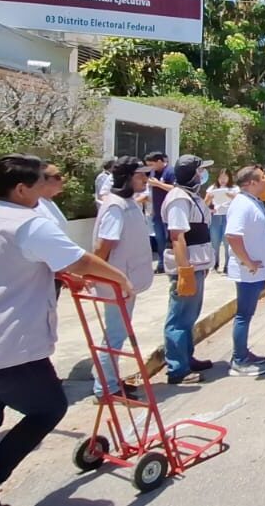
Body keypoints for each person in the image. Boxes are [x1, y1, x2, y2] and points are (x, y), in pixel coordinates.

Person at [0, 154, 133, 506]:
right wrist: (119, 277)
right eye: (43, 180)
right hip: (4, 343)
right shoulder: (27, 221)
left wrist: (59, 273)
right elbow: (79, 259)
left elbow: (7, 264)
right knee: (48, 408)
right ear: (20, 189)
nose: (48, 186)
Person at [90, 156, 156, 401]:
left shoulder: (127, 202)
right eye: (141, 176)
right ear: (127, 177)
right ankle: (105, 387)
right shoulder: (116, 206)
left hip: (127, 281)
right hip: (117, 282)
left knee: (117, 334)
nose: (146, 180)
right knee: (114, 335)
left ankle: (110, 381)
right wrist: (96, 275)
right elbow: (104, 246)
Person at [161, 154, 215, 385]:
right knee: (179, 318)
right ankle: (177, 368)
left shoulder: (191, 197)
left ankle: (186, 356)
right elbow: (177, 236)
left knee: (189, 316)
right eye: (200, 170)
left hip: (197, 266)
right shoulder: (178, 199)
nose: (202, 174)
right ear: (192, 174)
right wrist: (184, 271)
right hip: (186, 267)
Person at [224, 165, 265, 377]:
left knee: (248, 313)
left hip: (255, 271)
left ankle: (243, 352)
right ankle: (239, 360)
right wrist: (248, 262)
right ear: (252, 183)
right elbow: (232, 236)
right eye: (263, 177)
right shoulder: (241, 205)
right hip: (248, 272)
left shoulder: (251, 201)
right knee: (244, 315)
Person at [144, 151, 175, 274]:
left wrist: (158, 184)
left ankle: (170, 263)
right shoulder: (152, 173)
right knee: (159, 239)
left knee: (169, 239)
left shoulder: (170, 172)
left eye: (152, 164)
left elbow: (174, 188)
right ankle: (161, 263)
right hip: (156, 212)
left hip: (169, 212)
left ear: (160, 161)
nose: (151, 167)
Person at [205, 168, 237, 271]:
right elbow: (205, 204)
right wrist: (210, 201)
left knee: (227, 241)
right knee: (215, 241)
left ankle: (227, 265)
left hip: (228, 216)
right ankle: (215, 263)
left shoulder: (234, 188)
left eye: (225, 177)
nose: (222, 180)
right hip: (216, 216)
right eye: (220, 178)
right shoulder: (212, 188)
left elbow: (239, 201)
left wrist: (231, 196)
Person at [34, 162, 69, 231]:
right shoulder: (36, 206)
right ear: (42, 180)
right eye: (57, 176)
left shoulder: (49, 202)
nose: (63, 179)